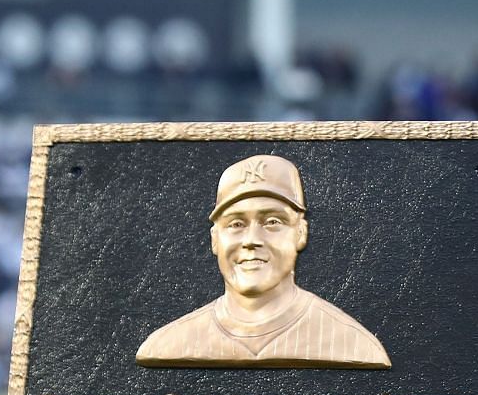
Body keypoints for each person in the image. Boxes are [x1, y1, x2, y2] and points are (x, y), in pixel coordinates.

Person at [137, 153, 390, 369]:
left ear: (300, 233)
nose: (251, 240)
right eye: (236, 224)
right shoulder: (169, 345)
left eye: (272, 222)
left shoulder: (352, 345)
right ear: (215, 239)